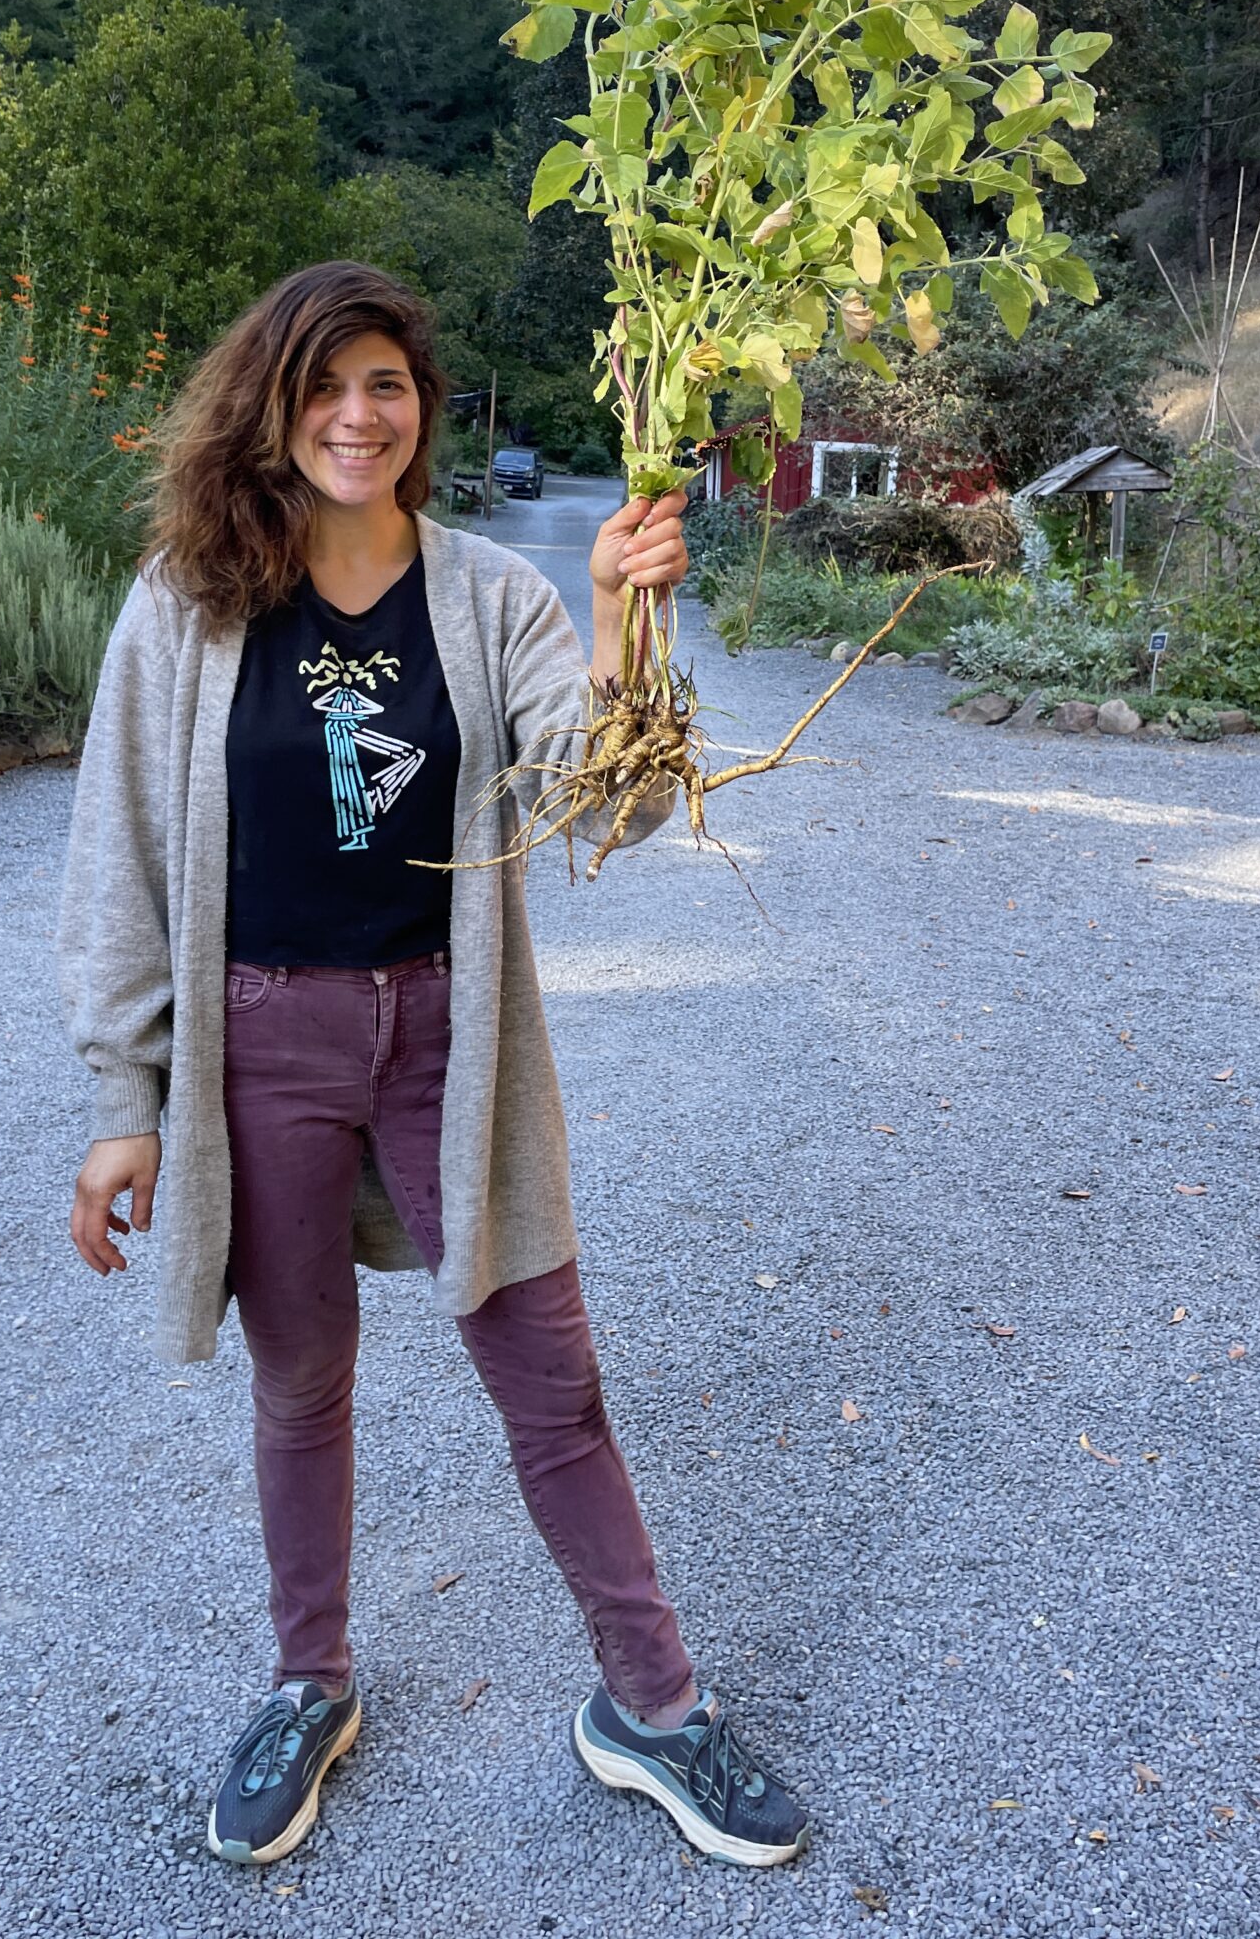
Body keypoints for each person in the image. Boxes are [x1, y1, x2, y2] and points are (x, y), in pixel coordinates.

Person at [58, 262, 808, 1874]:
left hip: (447, 1037)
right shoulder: (190, 603)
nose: (355, 416)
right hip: (260, 1035)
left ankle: (654, 1709)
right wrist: (129, 1103)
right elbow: (116, 854)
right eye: (325, 387)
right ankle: (308, 1682)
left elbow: (600, 809)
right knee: (301, 1381)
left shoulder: (487, 600)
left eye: (385, 385)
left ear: (423, 408)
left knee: (553, 1379)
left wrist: (622, 615)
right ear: (273, 405)